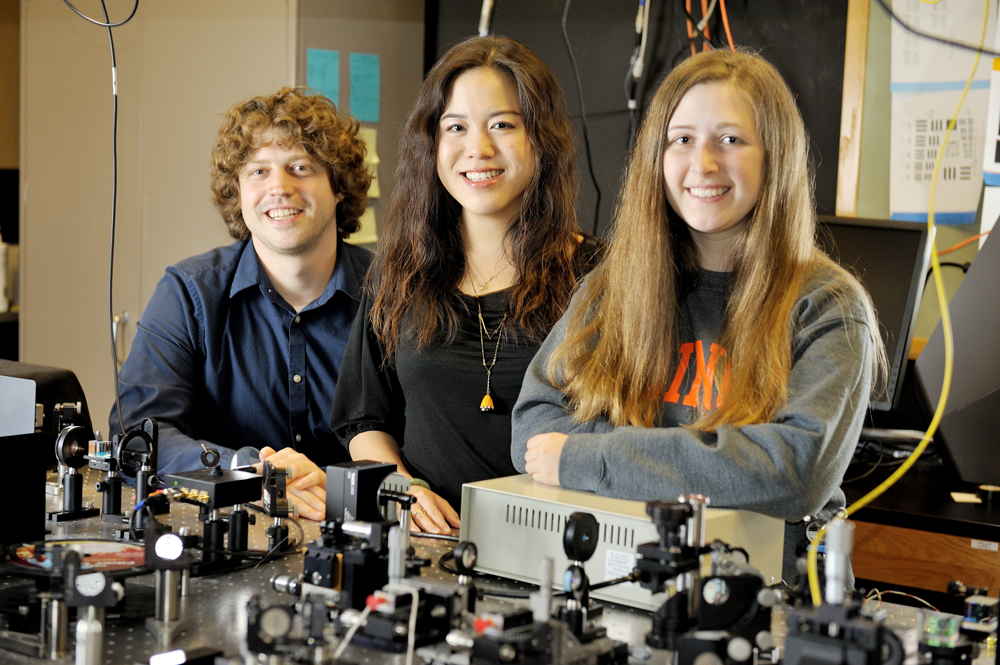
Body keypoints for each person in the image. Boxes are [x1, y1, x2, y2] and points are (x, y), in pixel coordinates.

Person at [510, 49, 886, 582]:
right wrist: (720, 465)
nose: (703, 163)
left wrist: (591, 460)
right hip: (629, 584)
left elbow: (794, 471)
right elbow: (535, 427)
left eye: (730, 140)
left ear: (774, 157)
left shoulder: (827, 305)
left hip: (771, 604)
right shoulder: (611, 288)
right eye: (681, 139)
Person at [330, 36, 601, 534]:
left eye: (502, 125)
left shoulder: (599, 276)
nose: (477, 149)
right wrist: (400, 486)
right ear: (431, 143)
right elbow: (365, 418)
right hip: (427, 547)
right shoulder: (399, 272)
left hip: (556, 549)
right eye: (456, 127)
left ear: (541, 138)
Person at [112, 87, 372, 521]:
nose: (280, 188)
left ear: (339, 187)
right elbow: (138, 434)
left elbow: (423, 439)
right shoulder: (189, 293)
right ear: (238, 191)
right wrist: (247, 471)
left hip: (362, 533)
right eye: (258, 171)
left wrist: (341, 484)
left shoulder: (396, 293)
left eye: (300, 167)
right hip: (230, 534)